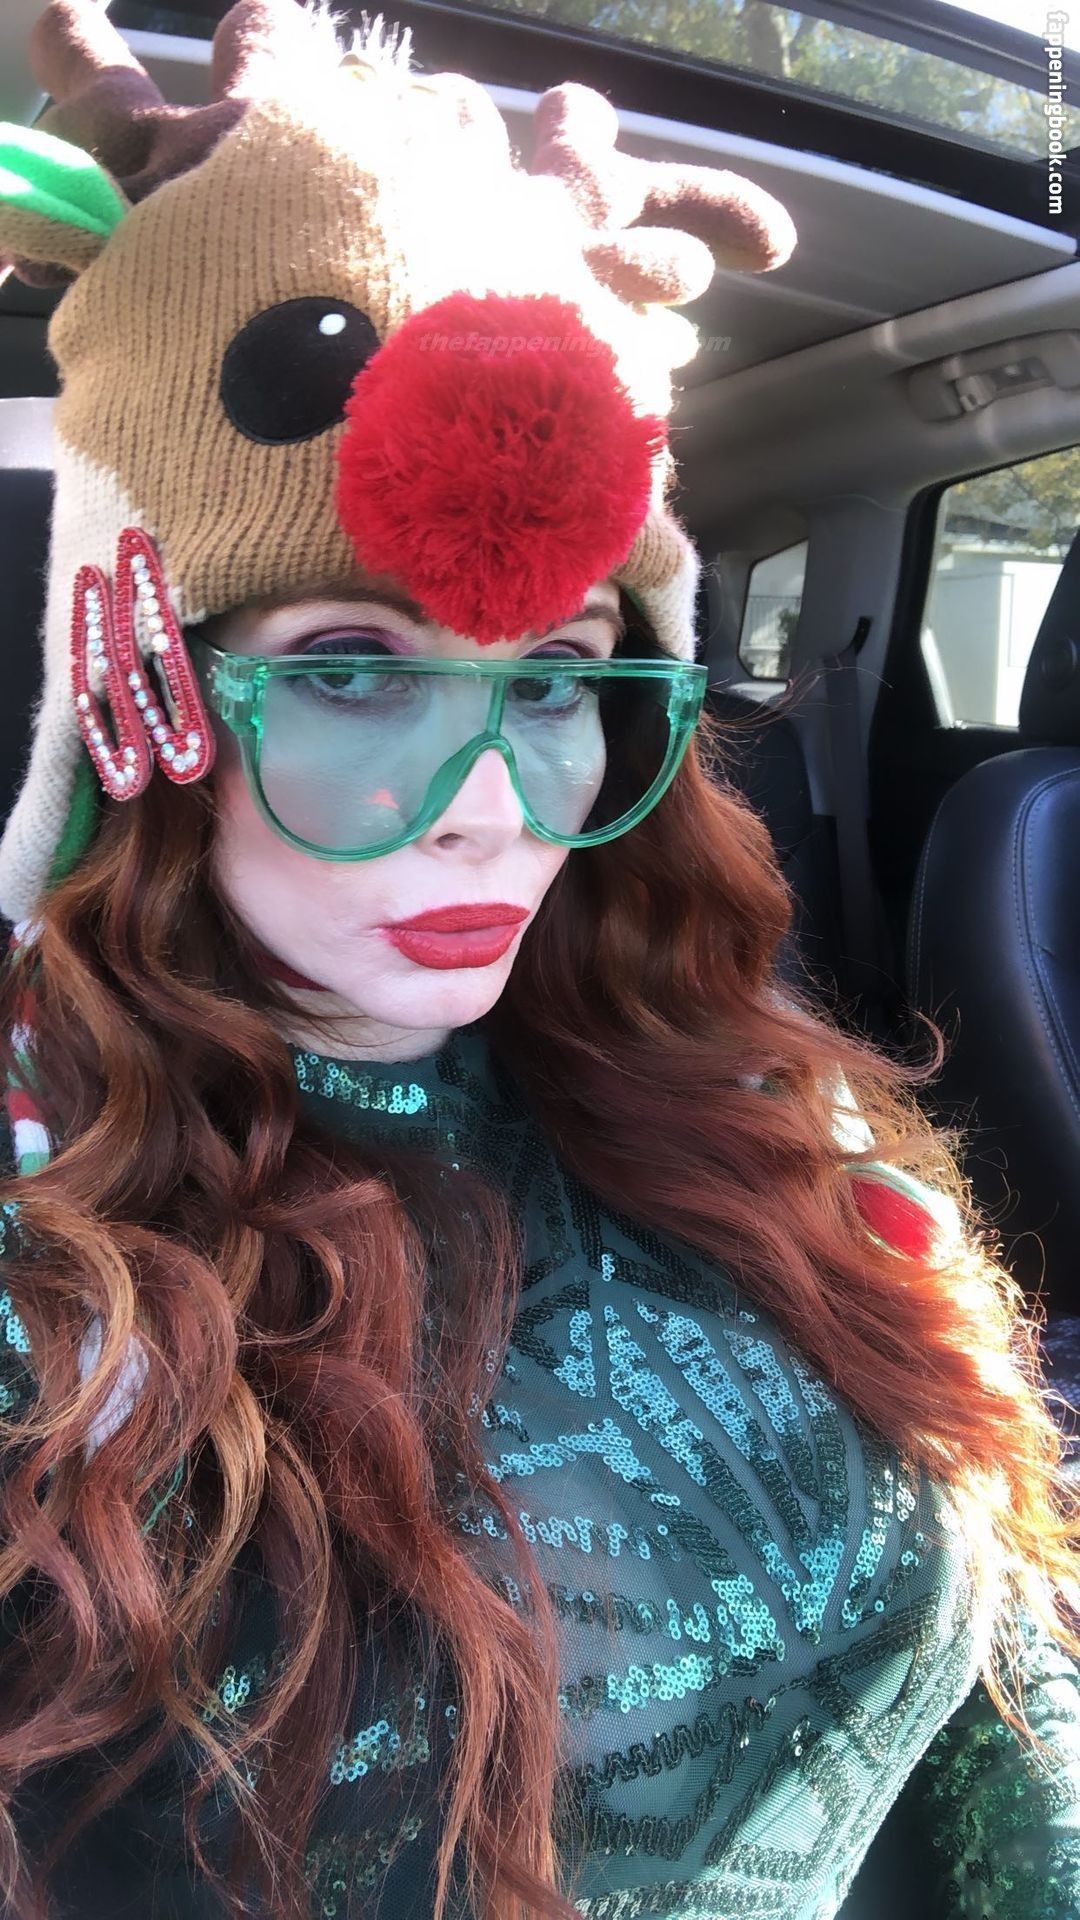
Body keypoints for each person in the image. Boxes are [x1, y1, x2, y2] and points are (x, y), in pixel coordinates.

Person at [0, 4, 1077, 1918]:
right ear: (145, 691)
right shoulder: (48, 1256)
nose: (495, 809)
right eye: (354, 666)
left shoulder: (742, 1102)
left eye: (561, 675)